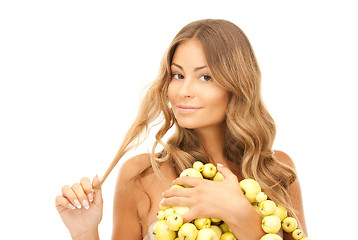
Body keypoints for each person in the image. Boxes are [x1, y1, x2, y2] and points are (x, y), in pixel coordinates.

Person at [55, 19, 308, 240]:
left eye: (205, 77)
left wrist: (239, 214)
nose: (184, 91)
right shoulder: (140, 175)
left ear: (237, 85)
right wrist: (84, 233)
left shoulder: (276, 172)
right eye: (177, 75)